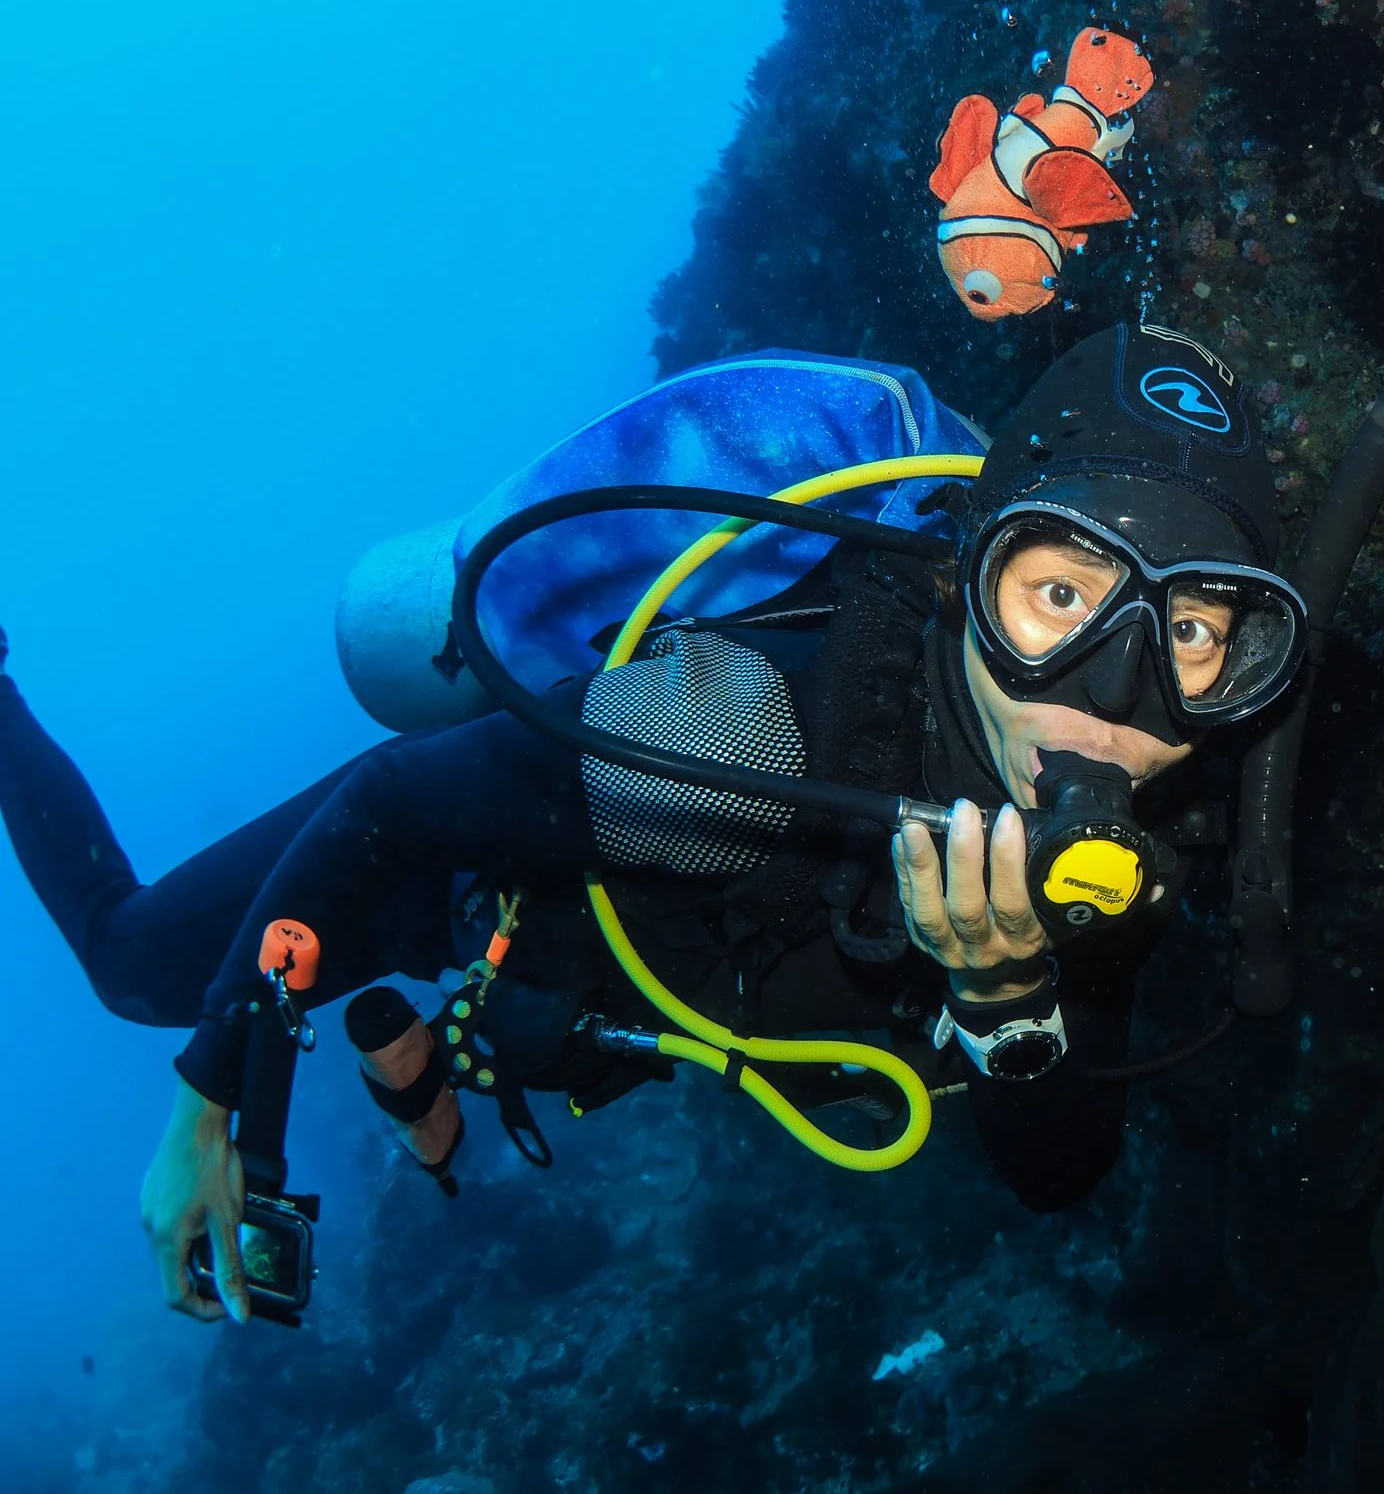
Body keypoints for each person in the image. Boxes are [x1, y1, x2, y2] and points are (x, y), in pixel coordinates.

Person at [0, 323, 1304, 1323]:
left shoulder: (1126, 846)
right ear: (975, 568)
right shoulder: (730, 742)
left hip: (658, 953)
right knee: (134, 965)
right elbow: (391, 805)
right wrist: (214, 1101)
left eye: (1191, 632)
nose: (1107, 701)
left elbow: (1058, 1166)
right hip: (475, 859)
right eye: (1060, 590)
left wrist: (1011, 992)